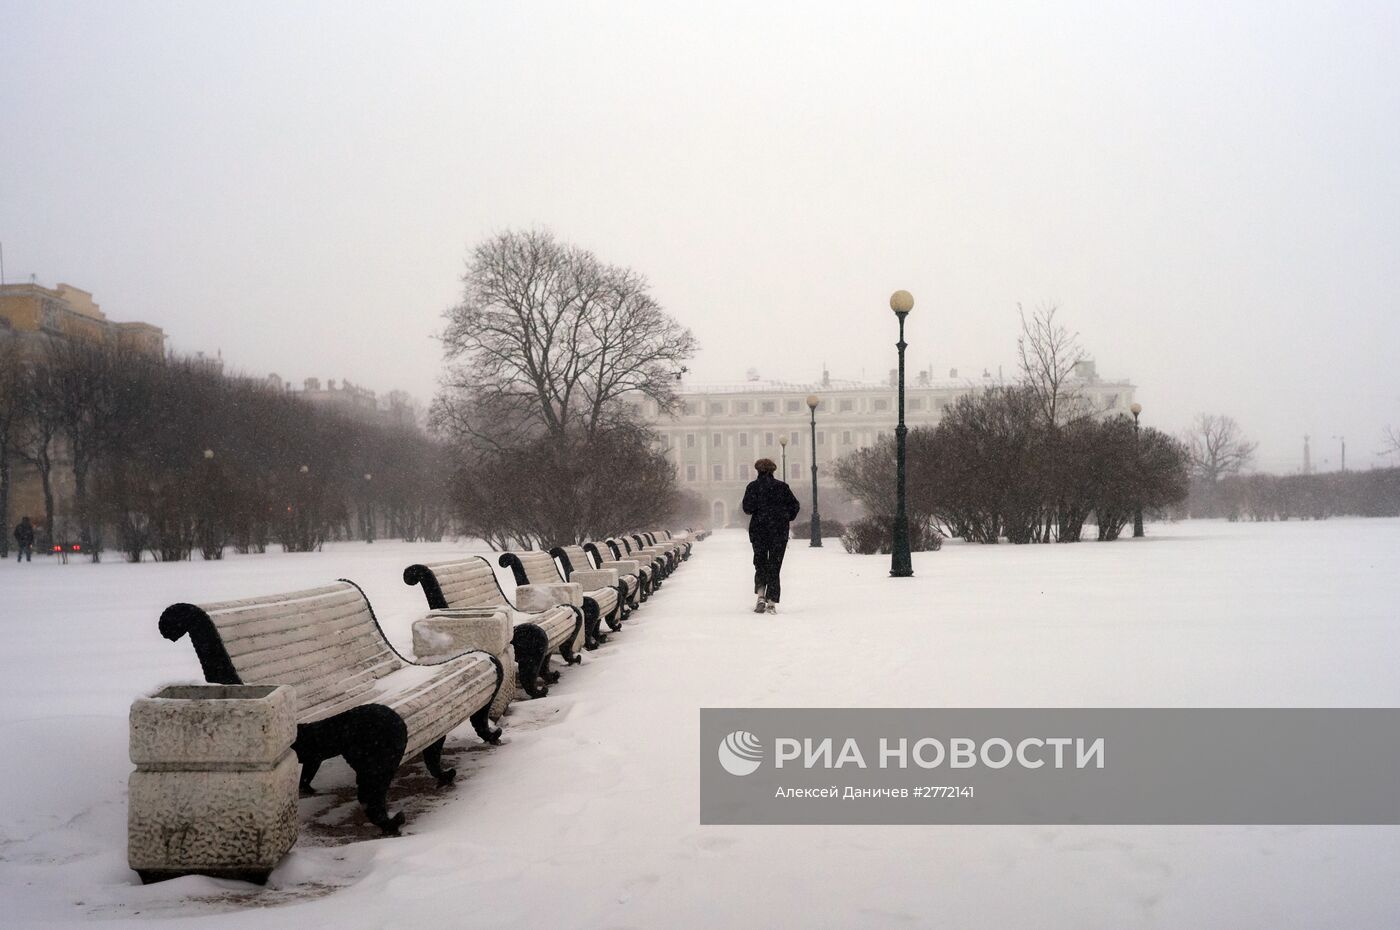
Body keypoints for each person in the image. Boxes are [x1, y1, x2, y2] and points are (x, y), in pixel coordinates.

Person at [741, 458, 800, 614]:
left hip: (759, 530)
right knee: (775, 565)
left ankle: (760, 596)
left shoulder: (753, 487)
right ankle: (772, 602)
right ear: (773, 471)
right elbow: (795, 506)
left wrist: (760, 509)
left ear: (758, 471)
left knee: (760, 563)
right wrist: (785, 516)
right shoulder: (782, 487)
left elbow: (747, 508)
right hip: (778, 531)